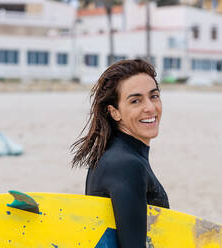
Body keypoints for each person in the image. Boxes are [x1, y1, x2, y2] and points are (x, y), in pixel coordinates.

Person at [71, 59, 169, 248]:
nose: (150, 107)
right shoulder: (126, 165)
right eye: (135, 100)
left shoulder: (112, 156)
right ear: (114, 112)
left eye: (154, 96)